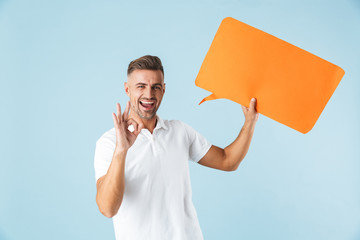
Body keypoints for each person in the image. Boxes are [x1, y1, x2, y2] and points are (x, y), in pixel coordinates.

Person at [94, 55, 259, 240]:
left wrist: (250, 122)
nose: (149, 94)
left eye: (155, 87)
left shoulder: (180, 131)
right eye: (141, 86)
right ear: (127, 89)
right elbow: (107, 209)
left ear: (163, 90)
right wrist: (121, 150)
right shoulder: (109, 143)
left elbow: (228, 160)